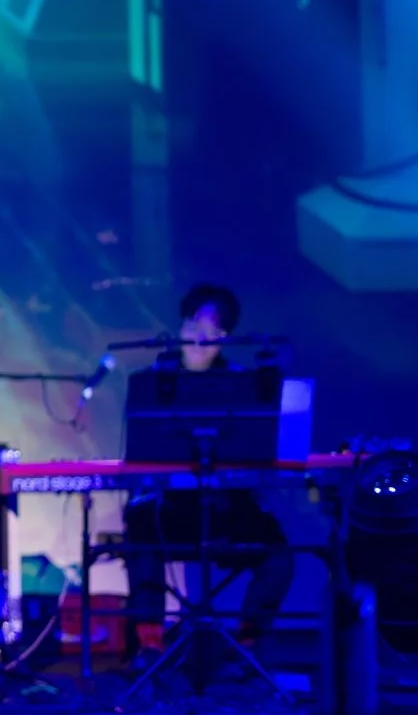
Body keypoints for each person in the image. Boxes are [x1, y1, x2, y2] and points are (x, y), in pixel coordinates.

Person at [122, 283, 294, 666]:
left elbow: (261, 455)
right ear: (180, 327)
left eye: (213, 330)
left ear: (226, 337)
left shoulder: (244, 385)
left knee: (279, 556)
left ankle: (247, 646)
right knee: (139, 532)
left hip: (227, 511)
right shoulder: (154, 382)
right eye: (193, 326)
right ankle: (150, 647)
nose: (200, 338)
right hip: (169, 511)